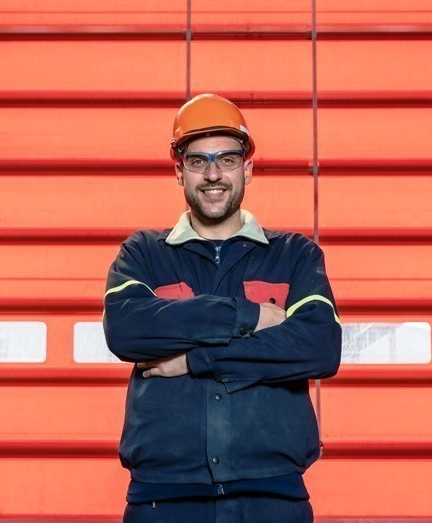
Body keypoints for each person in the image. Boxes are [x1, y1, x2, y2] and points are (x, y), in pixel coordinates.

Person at [103, 93, 342, 522]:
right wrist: (248, 316)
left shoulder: (295, 255)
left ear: (247, 168)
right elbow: (126, 330)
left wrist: (194, 359)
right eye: (198, 161)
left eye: (227, 160)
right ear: (179, 171)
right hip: (164, 500)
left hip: (272, 497)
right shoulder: (143, 254)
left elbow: (319, 347)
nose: (213, 174)